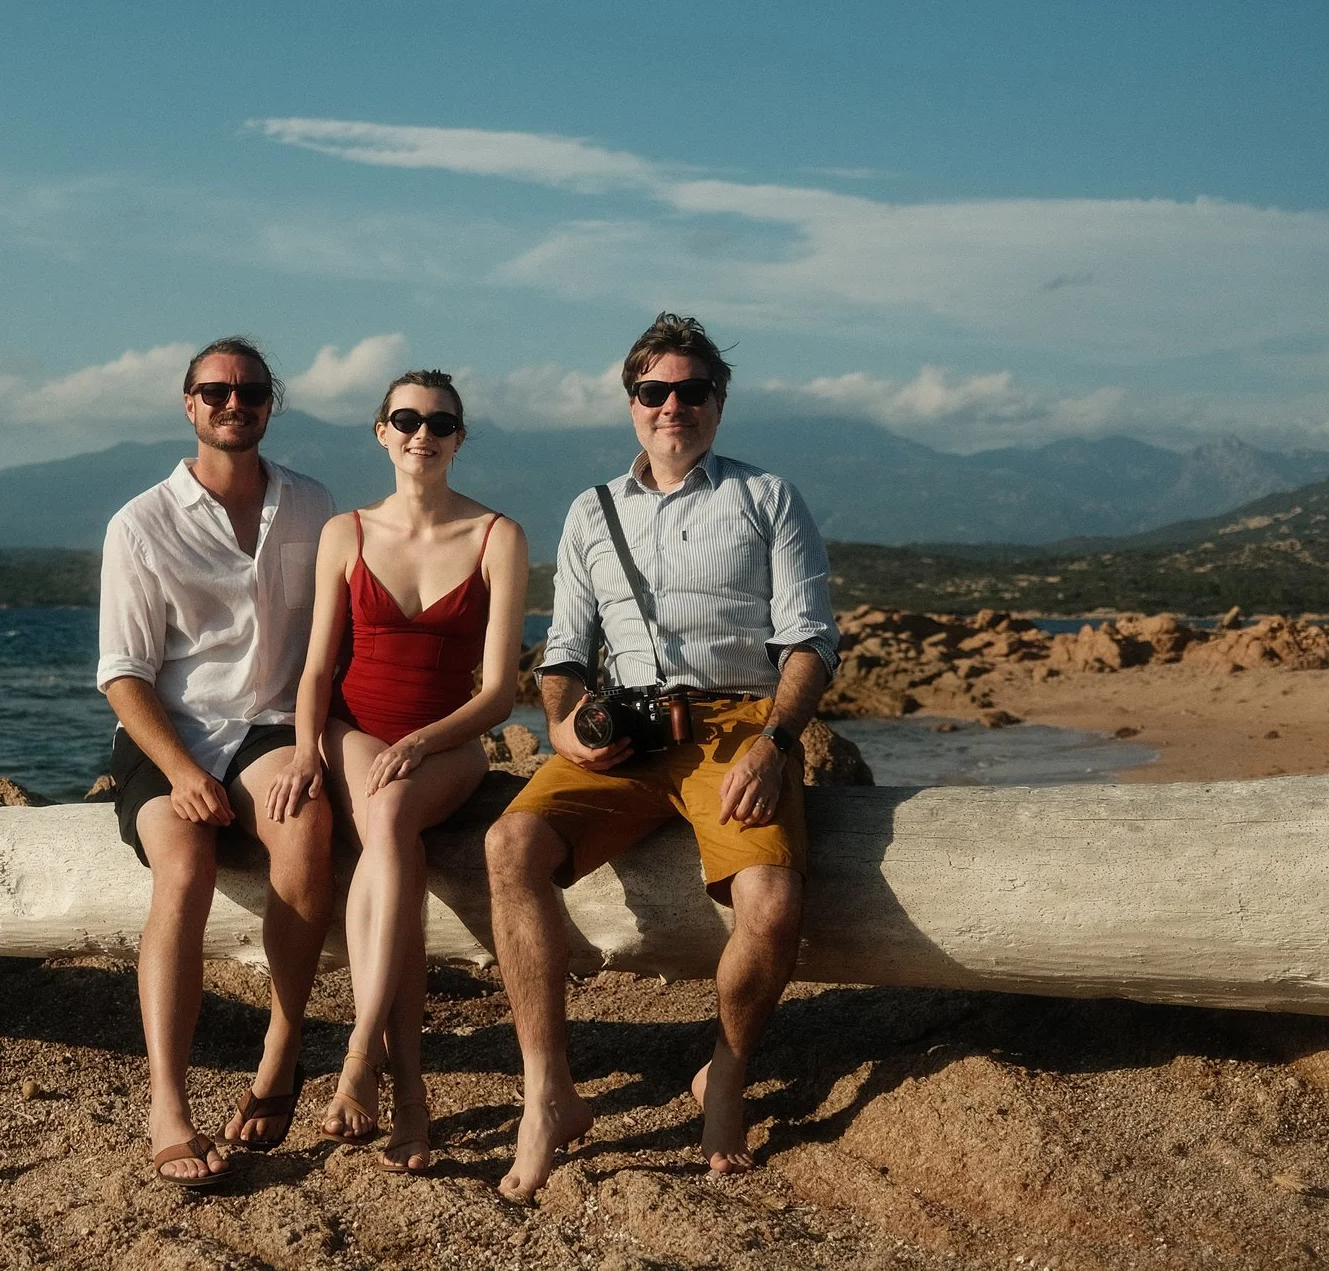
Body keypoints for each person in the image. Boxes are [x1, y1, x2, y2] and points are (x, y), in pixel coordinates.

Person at [485, 313, 839, 1197]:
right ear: (632, 403)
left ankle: (725, 1070)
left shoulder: (769, 497)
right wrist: (564, 725)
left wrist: (774, 743)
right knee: (508, 847)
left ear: (718, 402)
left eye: (691, 390)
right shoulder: (588, 511)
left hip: (736, 727)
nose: (672, 405)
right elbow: (563, 652)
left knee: (774, 901)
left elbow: (811, 644)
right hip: (625, 732)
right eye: (654, 391)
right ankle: (547, 1094)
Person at [270, 369, 528, 1174]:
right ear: (381, 431)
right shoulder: (345, 533)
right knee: (394, 840)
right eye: (406, 418)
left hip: (448, 741)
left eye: (440, 421)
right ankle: (411, 1094)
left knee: (387, 820)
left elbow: (499, 693)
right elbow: (317, 670)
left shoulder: (499, 536)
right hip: (354, 732)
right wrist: (310, 747)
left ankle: (358, 1058)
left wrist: (422, 742)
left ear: (459, 436)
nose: (423, 433)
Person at [96, 336, 339, 1188]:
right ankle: (168, 1102)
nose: (234, 402)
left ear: (271, 403)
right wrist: (183, 772)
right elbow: (123, 674)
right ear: (189, 404)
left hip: (270, 728)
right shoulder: (142, 522)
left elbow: (334, 637)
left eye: (251, 390)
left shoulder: (313, 506)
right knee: (186, 864)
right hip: (167, 734)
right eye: (215, 391)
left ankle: (283, 1039)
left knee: (308, 824)